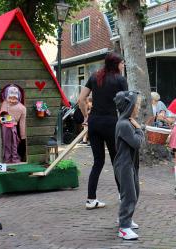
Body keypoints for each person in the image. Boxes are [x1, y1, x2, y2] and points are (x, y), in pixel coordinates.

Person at [78, 52, 128, 209]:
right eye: (122, 63)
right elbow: (126, 103)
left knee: (98, 162)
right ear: (116, 64)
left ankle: (91, 199)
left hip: (94, 123)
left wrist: (86, 116)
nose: (123, 65)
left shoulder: (94, 76)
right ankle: (122, 195)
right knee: (116, 161)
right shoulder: (120, 79)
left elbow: (81, 99)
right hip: (111, 123)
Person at [113, 91, 144, 240]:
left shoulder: (126, 122)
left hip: (129, 164)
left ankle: (125, 218)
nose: (138, 107)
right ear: (129, 106)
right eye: (136, 105)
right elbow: (137, 143)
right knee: (129, 195)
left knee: (135, 192)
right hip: (124, 165)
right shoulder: (125, 124)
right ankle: (124, 228)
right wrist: (139, 129)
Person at [0, 85, 26, 163]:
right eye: (10, 98)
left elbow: (22, 122)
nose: (12, 100)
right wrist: (11, 119)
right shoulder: (5, 104)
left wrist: (23, 135)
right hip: (5, 126)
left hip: (14, 127)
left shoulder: (22, 108)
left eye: (14, 98)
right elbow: (2, 116)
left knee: (15, 143)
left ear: (18, 97)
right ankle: (7, 159)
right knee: (6, 143)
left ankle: (14, 158)